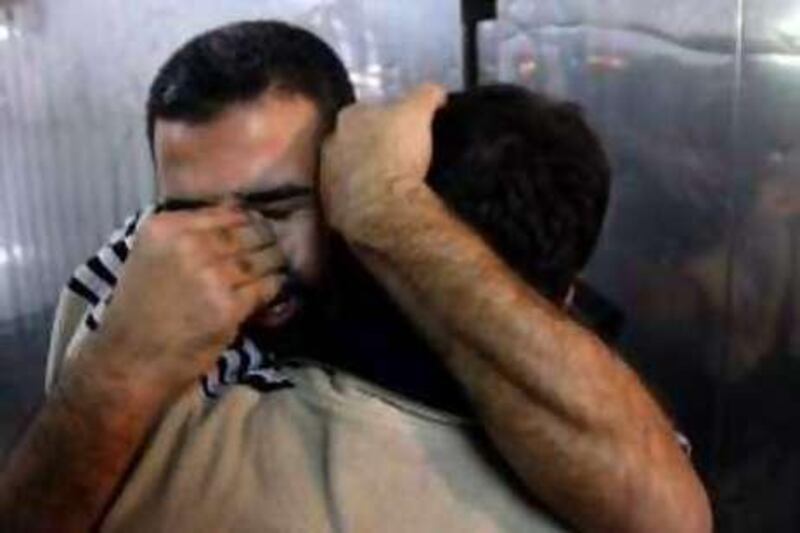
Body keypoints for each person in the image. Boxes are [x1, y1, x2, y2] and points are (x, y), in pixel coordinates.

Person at [0, 20, 711, 532]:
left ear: (340, 175)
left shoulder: (426, 270)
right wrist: (124, 355)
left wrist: (390, 209)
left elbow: (662, 508)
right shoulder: (141, 268)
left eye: (276, 205)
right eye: (189, 212)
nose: (230, 243)